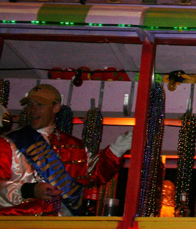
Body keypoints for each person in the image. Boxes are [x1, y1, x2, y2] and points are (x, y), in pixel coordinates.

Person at [0, 84, 132, 216]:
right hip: (19, 223)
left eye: (40, 105)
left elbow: (96, 174)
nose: (33, 110)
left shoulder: (75, 145)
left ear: (56, 107)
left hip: (62, 224)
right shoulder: (8, 142)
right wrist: (29, 190)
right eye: (30, 105)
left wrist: (115, 150)